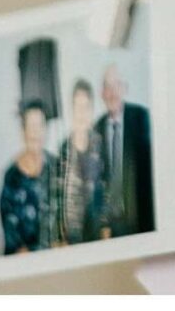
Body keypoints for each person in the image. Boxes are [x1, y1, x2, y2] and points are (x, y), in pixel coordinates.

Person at [95, 63, 154, 238]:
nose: (112, 92)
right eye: (108, 86)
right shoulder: (96, 129)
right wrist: (101, 224)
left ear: (124, 89)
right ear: (102, 93)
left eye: (117, 85)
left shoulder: (141, 118)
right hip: (109, 227)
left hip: (139, 221)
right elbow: (96, 184)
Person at [54, 79, 108, 247]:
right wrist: (59, 236)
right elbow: (58, 194)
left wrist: (106, 227)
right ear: (72, 110)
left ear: (92, 110)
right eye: (78, 107)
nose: (82, 113)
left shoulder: (101, 144)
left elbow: (108, 188)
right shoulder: (63, 148)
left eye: (86, 107)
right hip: (72, 236)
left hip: (98, 232)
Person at [0, 102, 54, 255]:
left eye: (40, 126)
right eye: (31, 126)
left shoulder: (57, 167)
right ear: (23, 131)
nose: (36, 132)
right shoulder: (11, 178)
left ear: (46, 130)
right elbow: (14, 243)